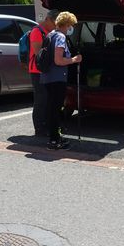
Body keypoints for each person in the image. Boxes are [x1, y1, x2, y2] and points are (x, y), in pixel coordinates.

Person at [41, 11, 81, 150]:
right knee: (56, 109)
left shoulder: (50, 34)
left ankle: (54, 137)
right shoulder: (60, 37)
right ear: (67, 24)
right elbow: (58, 60)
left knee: (52, 108)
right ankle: (54, 140)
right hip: (57, 78)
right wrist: (74, 60)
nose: (72, 28)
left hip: (47, 77)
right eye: (71, 25)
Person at [28, 9, 59, 136]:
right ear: (48, 19)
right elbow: (38, 54)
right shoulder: (37, 31)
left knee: (48, 99)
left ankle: (46, 124)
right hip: (37, 71)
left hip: (47, 71)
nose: (56, 26)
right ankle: (39, 128)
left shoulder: (50, 31)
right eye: (55, 23)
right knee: (41, 100)